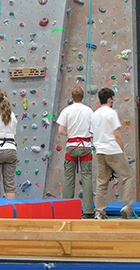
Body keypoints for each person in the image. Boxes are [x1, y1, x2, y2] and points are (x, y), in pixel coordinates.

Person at [91, 87, 133, 219]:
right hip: (113, 150)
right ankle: (126, 205)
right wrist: (123, 151)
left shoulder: (94, 114)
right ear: (110, 99)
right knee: (127, 176)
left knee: (101, 182)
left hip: (100, 151)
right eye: (112, 98)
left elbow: (92, 133)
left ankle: (99, 211)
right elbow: (117, 135)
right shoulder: (111, 113)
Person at [57, 86, 94, 218]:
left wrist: (70, 134)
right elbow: (93, 130)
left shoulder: (66, 110)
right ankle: (89, 211)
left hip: (71, 146)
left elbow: (60, 131)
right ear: (82, 97)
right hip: (86, 146)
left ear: (71, 97)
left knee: (68, 177)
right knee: (87, 177)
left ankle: (67, 209)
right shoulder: (89, 111)